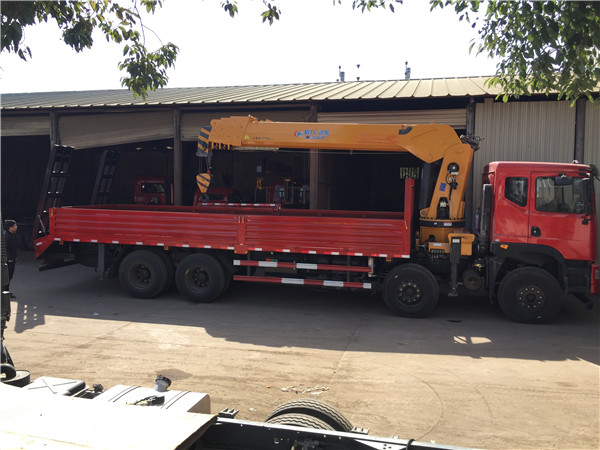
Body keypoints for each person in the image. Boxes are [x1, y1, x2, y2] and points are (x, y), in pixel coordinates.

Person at [4, 220, 17, 299]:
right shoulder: (7, 236)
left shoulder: (11, 235)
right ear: (10, 228)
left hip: (12, 259)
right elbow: (5, 248)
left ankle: (6, 291)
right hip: (9, 260)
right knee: (7, 276)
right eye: (14, 226)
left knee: (9, 277)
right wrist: (9, 258)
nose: (16, 227)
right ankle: (5, 292)